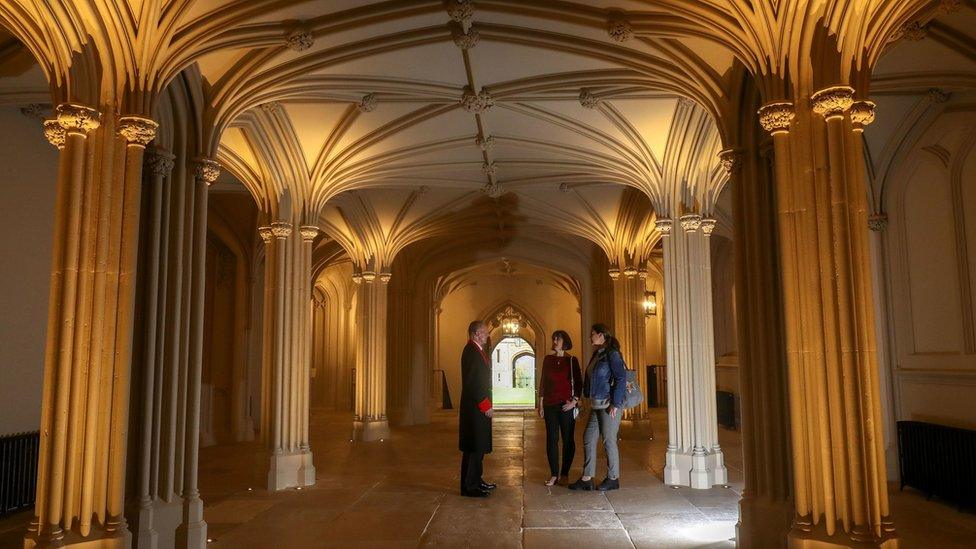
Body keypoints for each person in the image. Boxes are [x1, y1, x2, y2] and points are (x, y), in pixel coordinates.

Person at [569, 323, 627, 492]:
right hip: (596, 404)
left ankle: (613, 477)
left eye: (593, 334)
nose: (590, 337)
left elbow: (621, 378)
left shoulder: (612, 353)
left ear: (602, 335)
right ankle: (587, 478)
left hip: (609, 405)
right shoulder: (597, 354)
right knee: (588, 437)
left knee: (609, 440)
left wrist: (616, 403)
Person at [537, 330, 583, 486]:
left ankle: (565, 473)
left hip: (566, 405)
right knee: (552, 440)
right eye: (554, 338)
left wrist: (574, 401)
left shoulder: (572, 360)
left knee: (568, 440)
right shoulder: (548, 360)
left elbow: (578, 383)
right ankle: (554, 474)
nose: (555, 340)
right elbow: (543, 381)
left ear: (565, 342)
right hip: (550, 405)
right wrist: (541, 403)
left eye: (558, 338)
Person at [458, 320, 496, 497]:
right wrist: (485, 405)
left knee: (478, 447)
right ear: (475, 333)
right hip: (475, 409)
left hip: (477, 408)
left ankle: (477, 480)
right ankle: (469, 486)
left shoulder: (477, 350)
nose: (488, 335)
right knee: (473, 448)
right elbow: (473, 383)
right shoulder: (471, 351)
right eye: (485, 332)